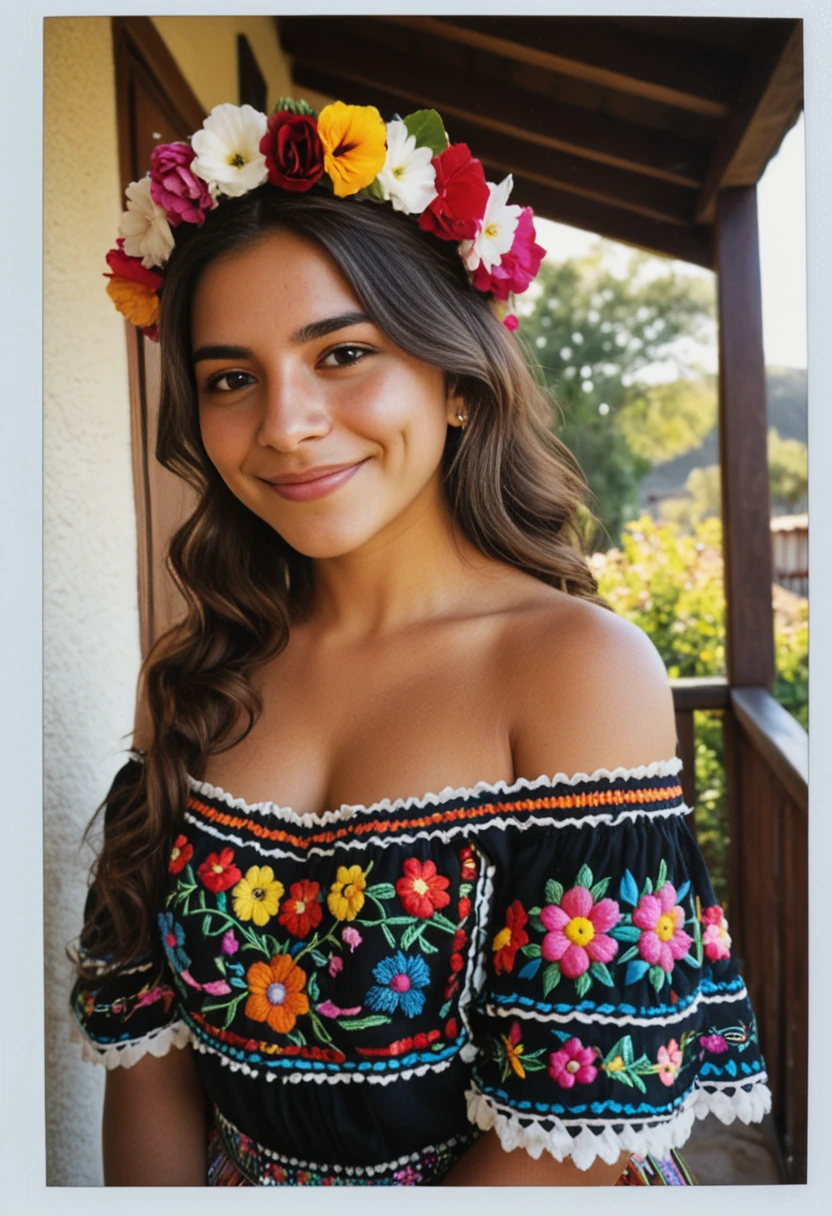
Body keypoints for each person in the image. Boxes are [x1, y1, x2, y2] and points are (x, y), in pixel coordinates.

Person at [70, 98, 771, 1187]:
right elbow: (149, 1077)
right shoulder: (196, 678)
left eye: (342, 352)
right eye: (229, 378)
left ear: (453, 378)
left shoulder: (571, 670)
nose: (285, 424)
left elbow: (569, 1142)